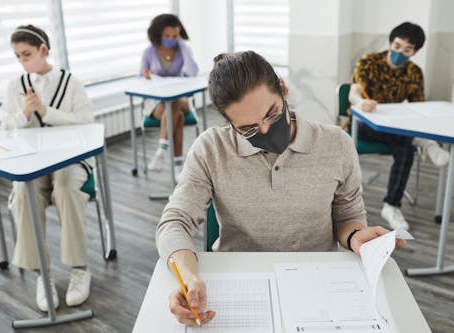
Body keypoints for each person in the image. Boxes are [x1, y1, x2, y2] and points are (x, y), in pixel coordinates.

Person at [156, 51, 407, 326]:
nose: (265, 130)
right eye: (248, 129)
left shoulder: (337, 144)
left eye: (272, 114)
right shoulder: (211, 149)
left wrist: (356, 236)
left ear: (283, 90)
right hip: (240, 283)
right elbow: (174, 222)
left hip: (316, 281)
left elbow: (347, 215)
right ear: (229, 124)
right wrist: (188, 278)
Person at [1, 25, 93, 312]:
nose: (22, 61)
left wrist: (45, 112)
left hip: (71, 160)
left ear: (44, 50)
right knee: (23, 191)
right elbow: (5, 129)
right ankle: (43, 272)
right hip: (33, 162)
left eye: (27, 54)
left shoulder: (71, 82)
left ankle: (80, 267)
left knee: (66, 187)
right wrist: (24, 112)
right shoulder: (14, 87)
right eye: (17, 56)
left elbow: (86, 121)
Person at [349, 21, 450, 230]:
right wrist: (360, 102)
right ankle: (425, 143)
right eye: (396, 46)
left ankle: (391, 206)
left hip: (394, 128)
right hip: (364, 124)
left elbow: (417, 108)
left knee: (405, 151)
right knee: (403, 139)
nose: (399, 53)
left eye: (407, 50)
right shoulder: (368, 62)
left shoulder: (414, 72)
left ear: (414, 52)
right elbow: (354, 92)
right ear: (390, 42)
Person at [139, 13, 199, 179]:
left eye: (174, 36)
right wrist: (146, 75)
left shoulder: (182, 50)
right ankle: (178, 166)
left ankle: (161, 151)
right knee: (176, 114)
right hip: (156, 102)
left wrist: (183, 45)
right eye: (167, 36)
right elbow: (140, 78)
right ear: (158, 33)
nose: (171, 39)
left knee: (174, 102)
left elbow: (193, 72)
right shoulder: (149, 52)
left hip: (181, 99)